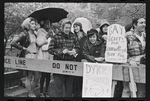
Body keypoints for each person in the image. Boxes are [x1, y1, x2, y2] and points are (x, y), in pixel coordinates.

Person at [48, 19, 80, 97]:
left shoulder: (73, 36)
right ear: (62, 28)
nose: (68, 29)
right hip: (59, 65)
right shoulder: (55, 37)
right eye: (66, 28)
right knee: (58, 89)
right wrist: (61, 51)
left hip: (70, 65)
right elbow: (50, 49)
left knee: (69, 90)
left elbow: (78, 47)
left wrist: (74, 50)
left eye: (69, 28)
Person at [11, 17, 39, 97]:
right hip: (28, 56)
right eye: (32, 23)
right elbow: (13, 43)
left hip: (36, 56)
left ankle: (30, 91)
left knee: (37, 77)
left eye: (35, 23)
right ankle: (30, 93)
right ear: (28, 25)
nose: (34, 25)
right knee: (29, 76)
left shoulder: (35, 34)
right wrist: (23, 48)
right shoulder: (24, 34)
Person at [122, 17, 146, 97]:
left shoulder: (145, 36)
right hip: (128, 65)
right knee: (127, 90)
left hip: (141, 66)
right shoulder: (127, 35)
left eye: (144, 23)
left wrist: (141, 58)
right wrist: (129, 60)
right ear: (135, 25)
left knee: (142, 91)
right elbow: (121, 50)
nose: (144, 25)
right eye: (141, 23)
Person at [36, 19, 53, 97]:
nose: (47, 24)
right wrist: (46, 38)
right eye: (46, 23)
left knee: (48, 74)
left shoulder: (51, 31)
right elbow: (39, 43)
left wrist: (51, 36)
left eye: (48, 23)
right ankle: (41, 91)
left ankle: (46, 91)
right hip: (42, 54)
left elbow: (53, 42)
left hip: (49, 55)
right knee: (43, 74)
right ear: (43, 24)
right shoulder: (40, 31)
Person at [72, 22, 87, 97]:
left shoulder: (85, 37)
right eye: (74, 27)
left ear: (80, 27)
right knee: (75, 76)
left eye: (77, 26)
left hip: (82, 57)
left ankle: (81, 92)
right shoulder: (72, 36)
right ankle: (75, 93)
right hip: (74, 57)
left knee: (82, 76)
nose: (75, 28)